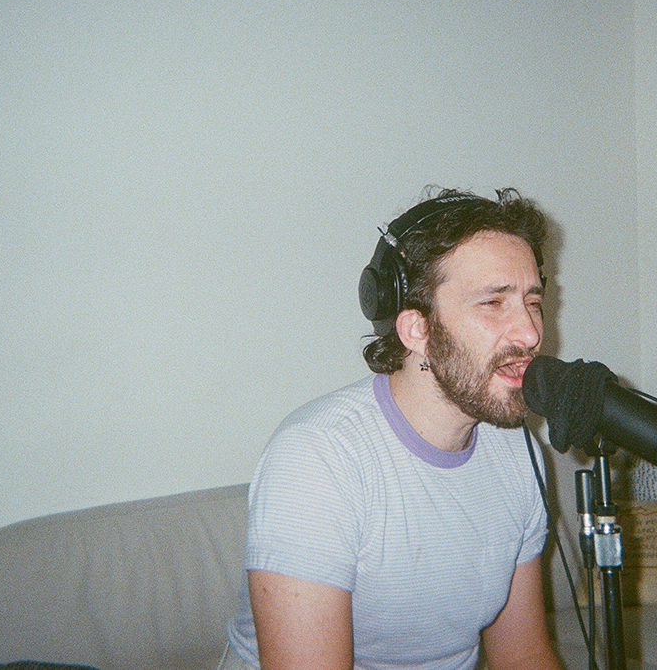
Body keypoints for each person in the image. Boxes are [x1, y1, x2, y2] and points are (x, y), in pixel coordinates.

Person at [222, 187, 565, 670]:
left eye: (532, 301)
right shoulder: (316, 459)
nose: (530, 333)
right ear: (416, 329)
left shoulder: (515, 451)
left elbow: (523, 655)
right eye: (493, 302)